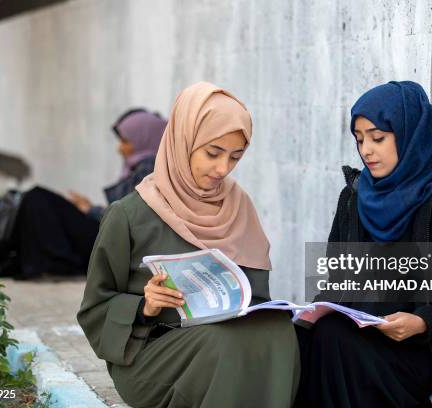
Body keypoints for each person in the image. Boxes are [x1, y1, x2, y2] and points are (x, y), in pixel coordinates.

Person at [77, 82, 300, 408]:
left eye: (235, 157)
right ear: (184, 141)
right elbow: (95, 307)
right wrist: (145, 306)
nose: (222, 169)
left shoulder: (239, 207)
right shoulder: (128, 214)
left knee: (279, 332)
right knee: (220, 342)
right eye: (213, 153)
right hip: (151, 354)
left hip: (224, 338)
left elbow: (257, 298)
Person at [294, 81, 432, 408]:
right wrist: (317, 309)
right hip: (357, 331)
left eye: (378, 138)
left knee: (337, 343)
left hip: (417, 346)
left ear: (408, 135)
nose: (366, 149)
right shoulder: (354, 196)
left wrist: (422, 322)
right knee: (303, 339)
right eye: (360, 139)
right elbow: (336, 278)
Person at [5, 108, 167, 279]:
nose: (120, 148)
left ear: (144, 139)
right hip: (111, 236)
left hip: (115, 244)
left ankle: (58, 264)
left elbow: (134, 219)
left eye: (125, 141)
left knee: (37, 199)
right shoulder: (141, 166)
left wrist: (90, 210)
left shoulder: (150, 169)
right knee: (38, 200)